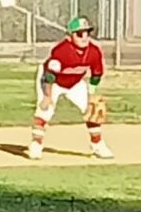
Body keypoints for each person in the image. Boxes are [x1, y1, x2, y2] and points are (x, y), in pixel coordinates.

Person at [28, 16, 113, 161]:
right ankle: (36, 144)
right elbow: (49, 76)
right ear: (70, 36)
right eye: (80, 33)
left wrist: (91, 93)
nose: (84, 37)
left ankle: (97, 145)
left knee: (91, 109)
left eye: (87, 33)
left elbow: (97, 73)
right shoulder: (62, 51)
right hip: (52, 81)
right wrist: (47, 97)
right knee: (45, 110)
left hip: (75, 83)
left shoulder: (94, 51)